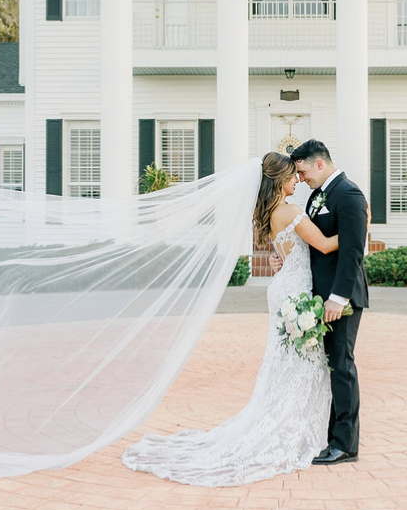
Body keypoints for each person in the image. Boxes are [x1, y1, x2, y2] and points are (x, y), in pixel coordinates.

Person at [121, 152, 340, 486]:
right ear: (278, 180)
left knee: (285, 361)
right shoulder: (291, 211)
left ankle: (288, 419)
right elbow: (323, 245)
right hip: (295, 292)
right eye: (292, 176)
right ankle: (294, 426)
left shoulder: (270, 213)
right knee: (303, 362)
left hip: (283, 288)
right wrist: (358, 229)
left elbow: (288, 253)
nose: (297, 180)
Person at [284, 139, 369, 465]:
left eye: (303, 171)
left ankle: (345, 445)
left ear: (319, 163)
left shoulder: (348, 195)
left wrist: (337, 297)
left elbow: (353, 251)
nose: (301, 178)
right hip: (322, 298)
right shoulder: (318, 196)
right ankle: (333, 436)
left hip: (340, 298)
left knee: (342, 366)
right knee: (332, 367)